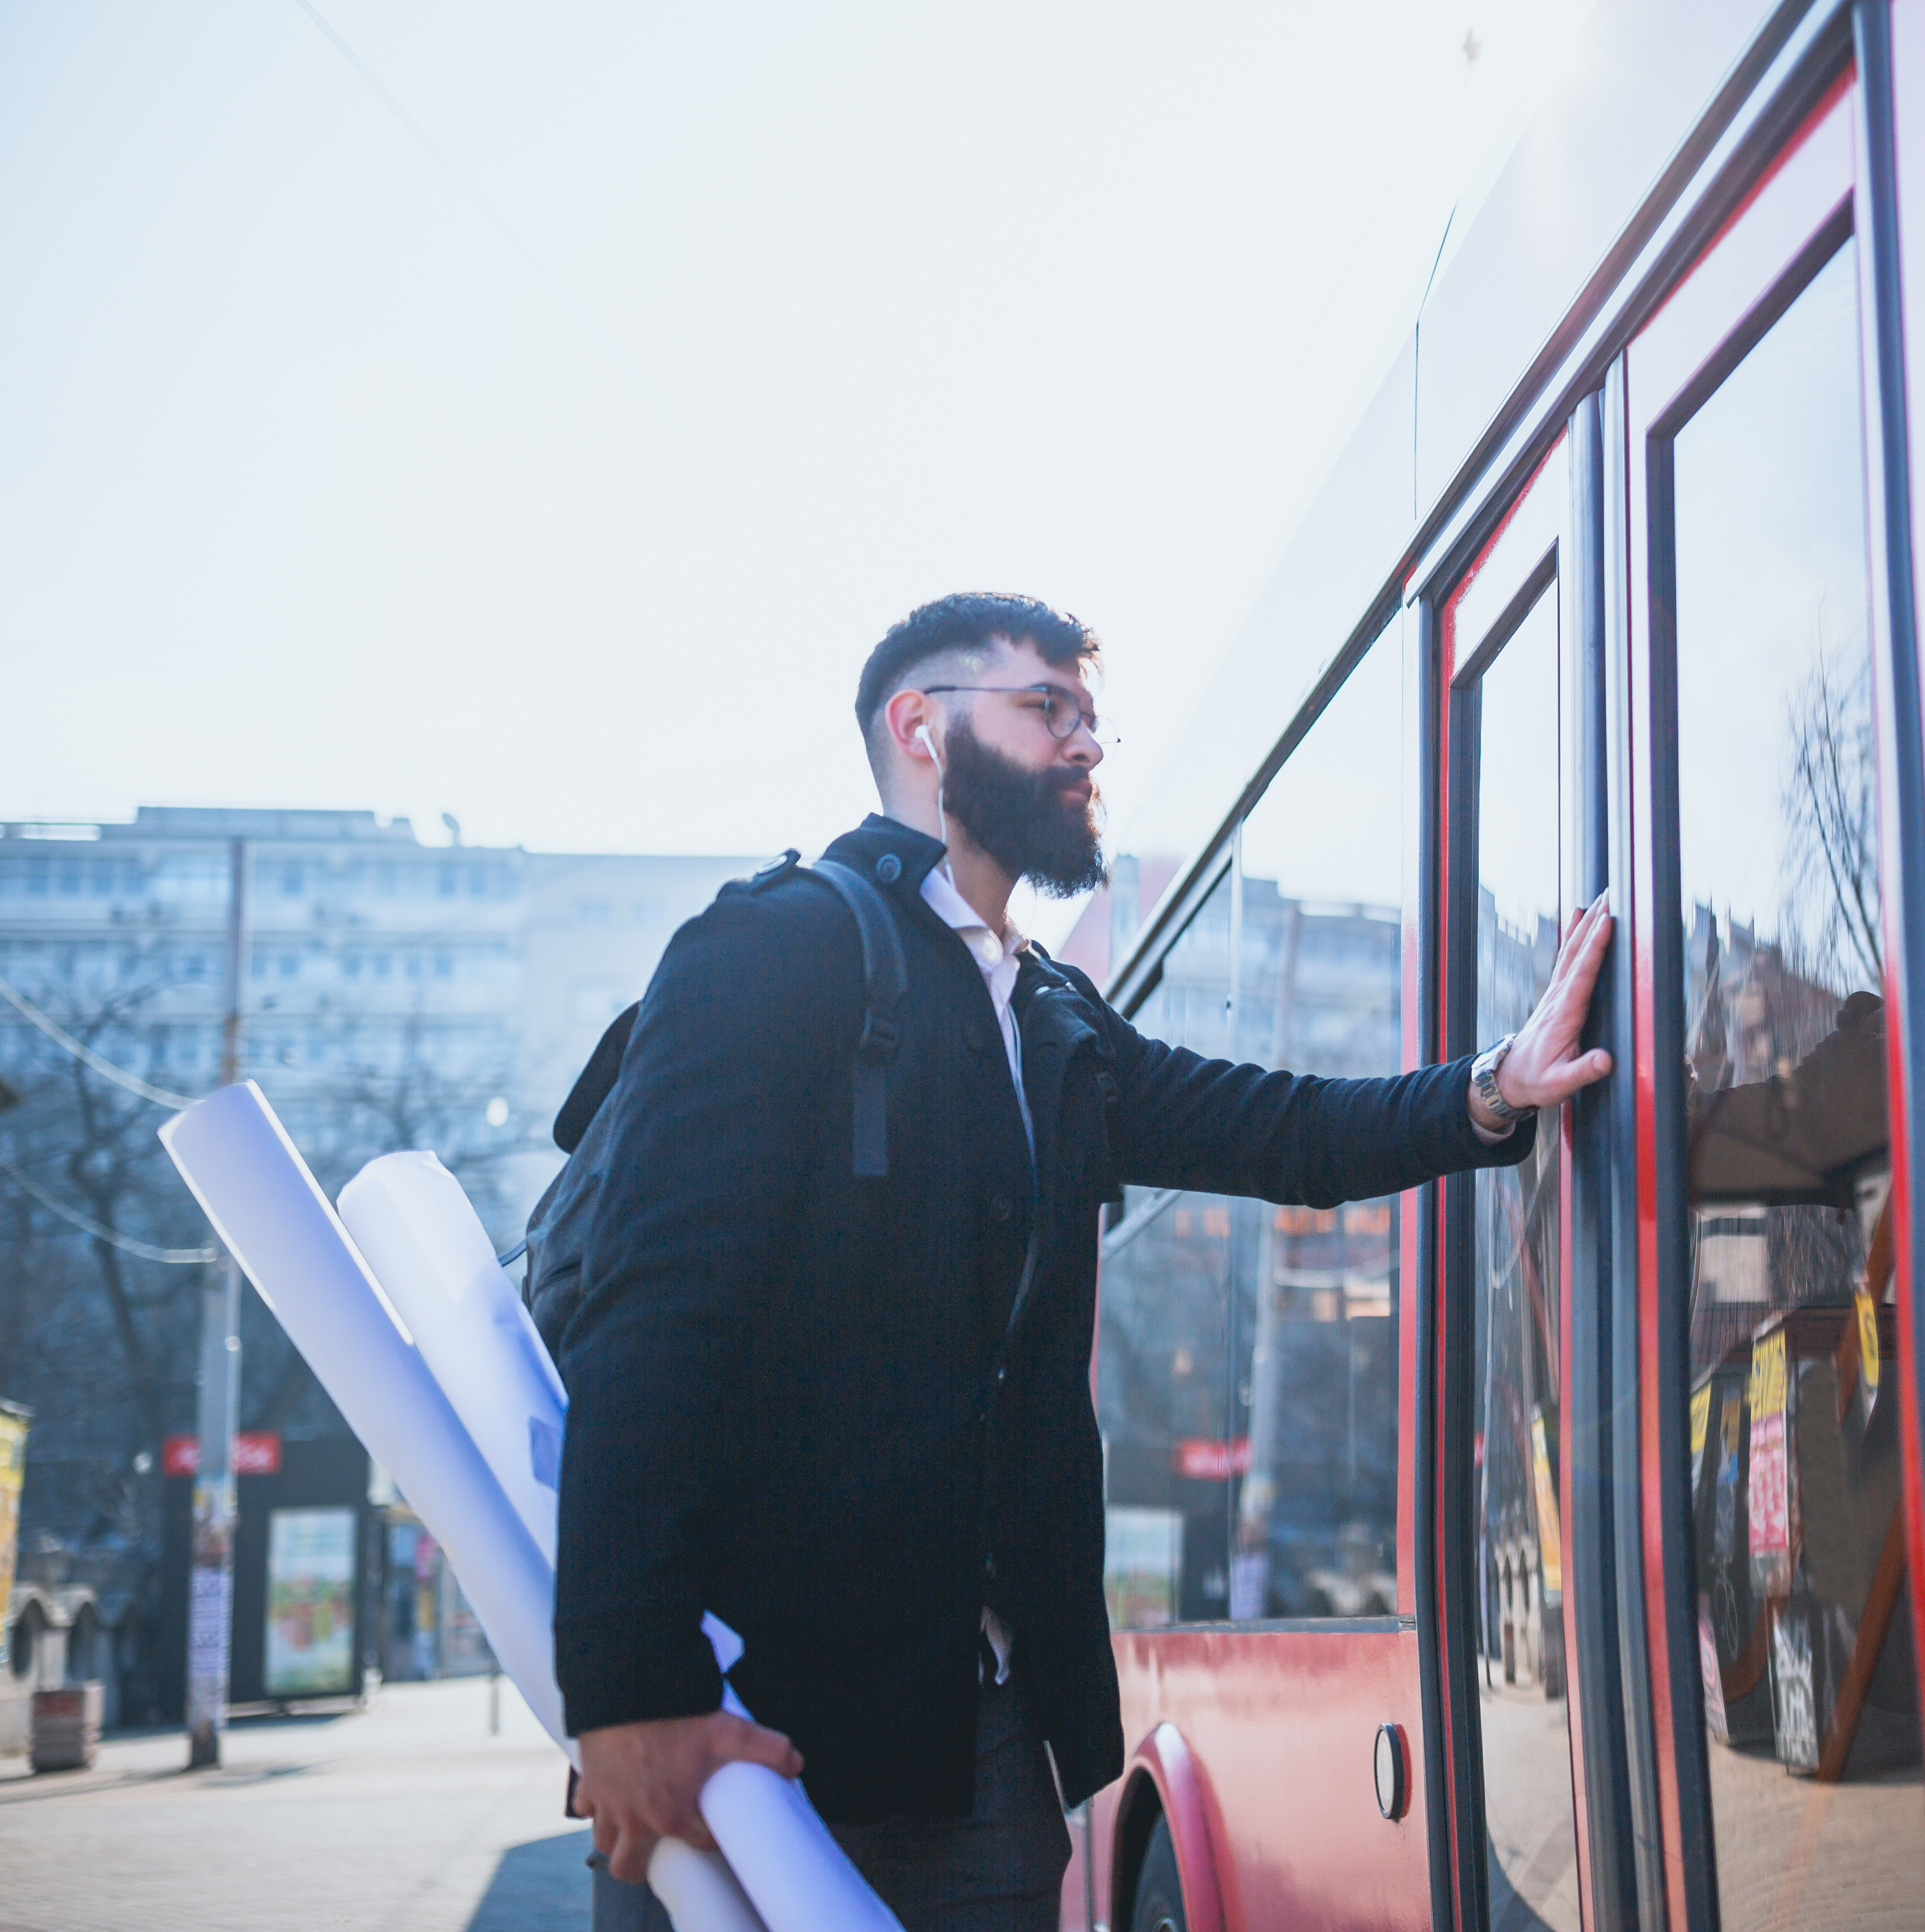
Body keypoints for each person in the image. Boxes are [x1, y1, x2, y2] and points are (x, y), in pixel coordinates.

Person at [556, 592, 1615, 1929]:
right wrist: (630, 1697)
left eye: (1091, 719)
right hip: (753, 1749)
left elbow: (1274, 1131)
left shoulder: (1046, 1011)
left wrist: (1491, 1089)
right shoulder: (773, 949)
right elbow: (644, 1329)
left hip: (986, 1751)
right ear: (920, 726)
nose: (1085, 746)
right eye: (1045, 708)